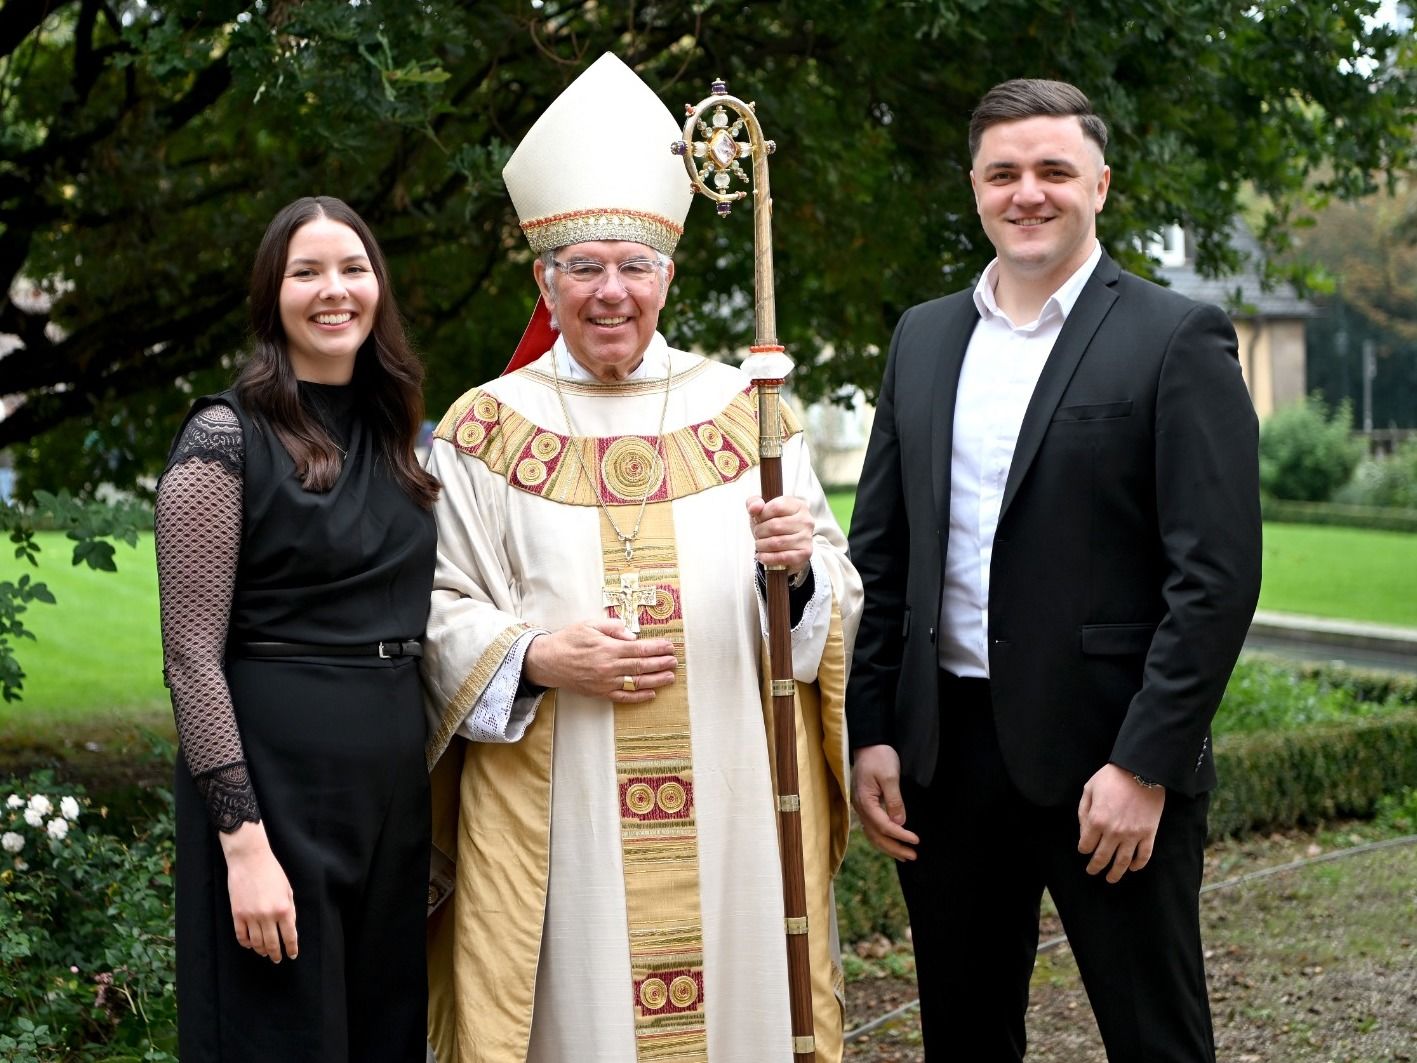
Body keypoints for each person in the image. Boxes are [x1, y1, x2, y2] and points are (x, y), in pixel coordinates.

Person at [420, 53, 863, 1063]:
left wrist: (795, 574)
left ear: (668, 274)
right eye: (583, 268)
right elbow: (437, 606)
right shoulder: (484, 427)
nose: (609, 292)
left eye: (632, 266)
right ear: (545, 279)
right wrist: (537, 657)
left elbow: (832, 597)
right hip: (558, 798)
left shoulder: (748, 412)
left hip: (736, 801)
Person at [846, 79, 1262, 1061]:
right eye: (1002, 173)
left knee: (1153, 1035)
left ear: (1099, 185)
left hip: (1106, 757)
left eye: (1052, 170)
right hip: (943, 760)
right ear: (975, 189)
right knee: (963, 1035)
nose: (1026, 192)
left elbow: (1214, 577)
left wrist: (1144, 764)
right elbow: (883, 555)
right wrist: (871, 731)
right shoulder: (923, 336)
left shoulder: (1174, 336)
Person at [155, 195, 439, 1062]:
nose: (333, 290)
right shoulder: (223, 438)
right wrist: (243, 844)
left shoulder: (404, 441)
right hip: (273, 791)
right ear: (270, 295)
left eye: (352, 268)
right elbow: (191, 658)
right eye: (305, 271)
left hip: (390, 789)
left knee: (384, 1036)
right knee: (283, 1036)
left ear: (378, 288)